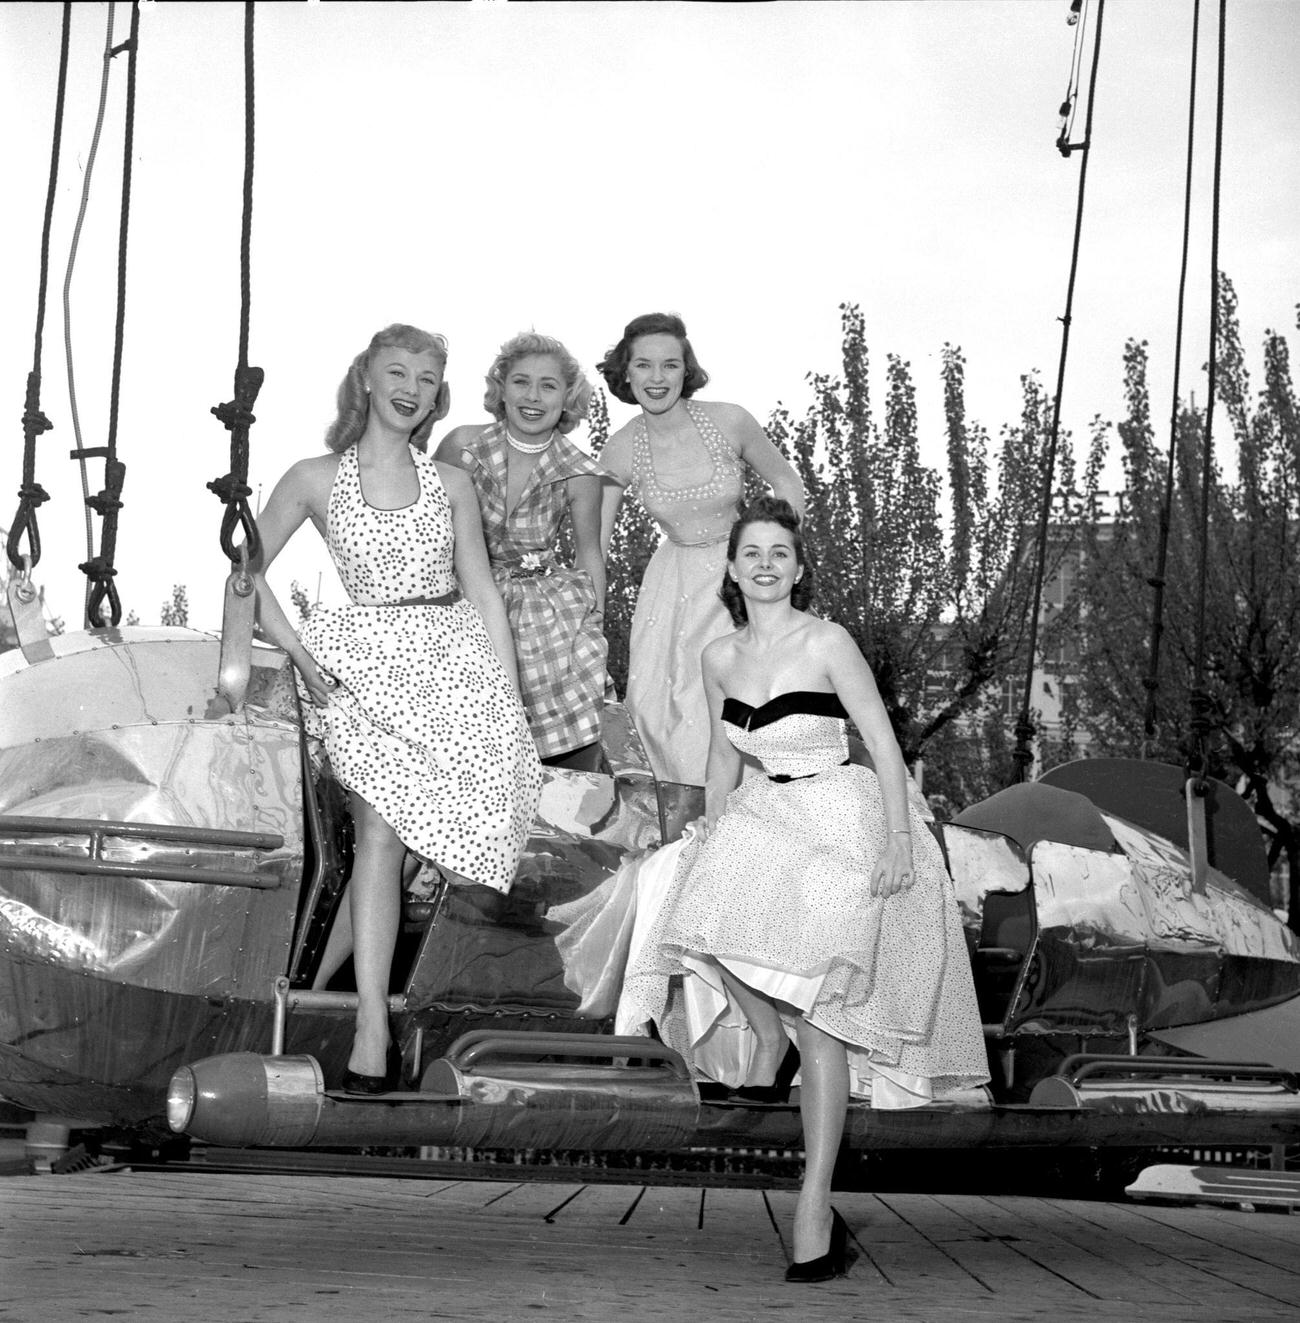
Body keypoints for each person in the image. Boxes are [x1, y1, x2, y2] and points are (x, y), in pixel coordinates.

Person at [619, 496, 989, 1282]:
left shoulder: (827, 641)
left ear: (796, 565)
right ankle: (768, 1037)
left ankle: (813, 1205)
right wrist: (710, 826)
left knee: (825, 1013)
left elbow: (885, 749)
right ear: (730, 567)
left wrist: (897, 841)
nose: (764, 564)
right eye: (751, 552)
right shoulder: (719, 656)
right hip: (767, 811)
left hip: (842, 812)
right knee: (688, 904)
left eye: (779, 553)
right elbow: (725, 755)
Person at [251, 324, 542, 1092]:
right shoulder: (315, 476)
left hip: (448, 667)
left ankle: (313, 982)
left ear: (436, 392)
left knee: (421, 842)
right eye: (397, 371)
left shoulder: (450, 485)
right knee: (376, 830)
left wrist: (507, 703)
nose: (411, 386)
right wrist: (301, 653)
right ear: (368, 380)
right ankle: (371, 1027)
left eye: (426, 375)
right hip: (361, 661)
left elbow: (480, 591)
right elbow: (243, 574)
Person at [597, 312, 805, 786]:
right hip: (672, 585)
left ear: (685, 369)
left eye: (670, 365)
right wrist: (584, 613)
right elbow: (598, 542)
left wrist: (771, 549)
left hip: (740, 574)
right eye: (644, 365)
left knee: (748, 695)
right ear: (625, 372)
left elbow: (787, 482)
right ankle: (688, 828)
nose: (657, 378)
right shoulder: (621, 447)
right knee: (665, 708)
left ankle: (764, 822)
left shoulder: (729, 419)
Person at [436, 332, 606, 770]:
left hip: (539, 612)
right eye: (520, 382)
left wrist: (596, 623)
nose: (533, 397)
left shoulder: (578, 470)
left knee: (562, 718)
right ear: (501, 388)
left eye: (548, 386)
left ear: (567, 396)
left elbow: (590, 553)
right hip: (461, 596)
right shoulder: (462, 446)